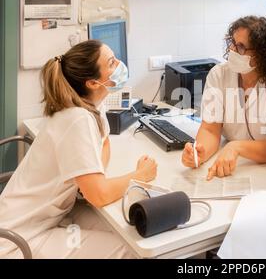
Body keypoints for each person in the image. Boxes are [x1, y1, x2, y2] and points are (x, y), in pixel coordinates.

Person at [0, 40, 158, 259]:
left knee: (128, 231)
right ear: (93, 83)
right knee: (130, 250)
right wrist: (140, 176)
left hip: (45, 217)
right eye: (111, 63)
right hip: (19, 240)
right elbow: (99, 196)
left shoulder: (91, 107)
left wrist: (92, 177)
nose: (120, 64)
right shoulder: (77, 118)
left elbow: (104, 141)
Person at [181, 16, 266, 180]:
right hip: (233, 164)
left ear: (262, 54)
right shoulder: (219, 74)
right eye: (232, 44)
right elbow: (210, 129)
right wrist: (199, 153)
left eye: (241, 47)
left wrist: (236, 147)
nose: (233, 51)